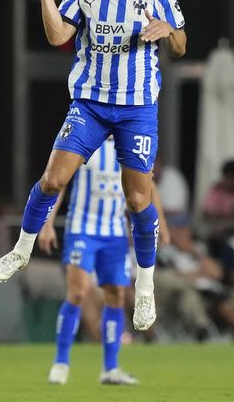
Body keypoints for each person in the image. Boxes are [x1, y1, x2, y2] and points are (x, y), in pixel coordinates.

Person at [0, 0, 187, 332]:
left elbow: (183, 44)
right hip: (91, 104)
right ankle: (22, 250)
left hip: (136, 108)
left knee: (138, 200)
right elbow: (56, 34)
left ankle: (145, 287)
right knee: (51, 179)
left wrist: (168, 30)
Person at [38, 137, 164, 385]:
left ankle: (111, 368)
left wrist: (161, 223)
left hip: (115, 233)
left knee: (117, 294)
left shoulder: (129, 142)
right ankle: (61, 362)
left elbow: (147, 184)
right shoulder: (86, 138)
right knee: (77, 292)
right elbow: (59, 181)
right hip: (81, 229)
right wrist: (47, 223)